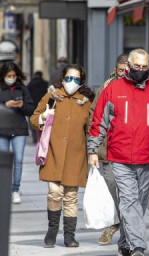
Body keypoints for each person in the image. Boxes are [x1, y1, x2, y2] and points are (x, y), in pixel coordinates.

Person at [87, 49, 149, 256]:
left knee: (139, 203)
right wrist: (93, 150)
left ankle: (124, 242)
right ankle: (138, 247)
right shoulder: (112, 90)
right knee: (129, 201)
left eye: (145, 67)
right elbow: (98, 122)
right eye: (137, 67)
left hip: (148, 157)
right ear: (128, 66)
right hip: (119, 157)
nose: (140, 70)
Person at [30, 65, 94, 248]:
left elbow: (91, 129)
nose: (72, 83)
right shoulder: (52, 95)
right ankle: (52, 230)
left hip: (76, 155)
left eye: (76, 79)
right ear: (63, 78)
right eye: (69, 78)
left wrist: (94, 152)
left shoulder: (85, 101)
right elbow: (34, 119)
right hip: (53, 153)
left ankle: (69, 236)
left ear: (81, 81)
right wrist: (44, 116)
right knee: (55, 192)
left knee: (71, 196)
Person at [93, 54, 129, 245]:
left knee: (130, 192)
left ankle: (128, 226)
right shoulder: (105, 88)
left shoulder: (140, 88)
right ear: (116, 70)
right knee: (111, 185)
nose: (124, 74)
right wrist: (94, 148)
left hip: (132, 150)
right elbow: (94, 116)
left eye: (127, 71)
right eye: (121, 70)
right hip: (110, 150)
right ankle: (114, 222)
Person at [0, 62, 35, 204]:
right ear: (3, 76)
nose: (11, 78)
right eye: (9, 76)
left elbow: (31, 109)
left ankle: (15, 189)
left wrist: (22, 105)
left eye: (14, 75)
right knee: (3, 162)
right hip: (2, 130)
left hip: (19, 129)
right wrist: (4, 105)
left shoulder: (23, 88)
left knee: (18, 160)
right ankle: (4, 189)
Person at [27, 71, 48, 143]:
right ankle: (41, 138)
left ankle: (35, 138)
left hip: (32, 106)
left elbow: (27, 95)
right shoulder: (45, 84)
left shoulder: (30, 84)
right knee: (42, 122)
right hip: (43, 106)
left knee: (33, 122)